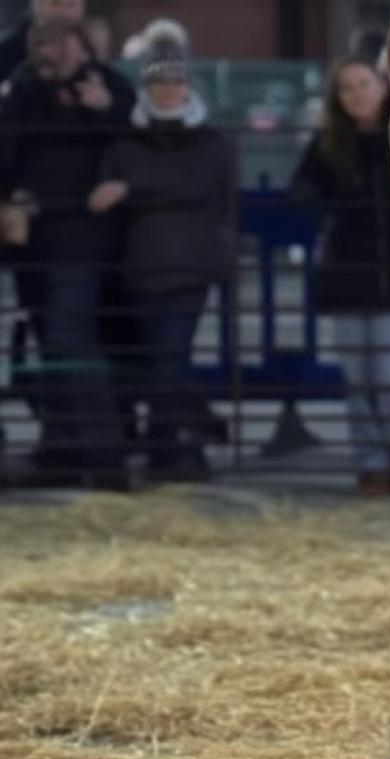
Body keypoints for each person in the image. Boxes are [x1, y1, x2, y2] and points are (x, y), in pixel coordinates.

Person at [289, 57, 390, 495]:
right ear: (337, 98)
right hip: (348, 278)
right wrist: (324, 205)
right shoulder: (329, 144)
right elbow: (298, 191)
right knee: (360, 380)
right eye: (347, 88)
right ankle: (371, 463)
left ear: (382, 86)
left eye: (364, 84)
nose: (357, 94)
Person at [89, 29, 232, 483]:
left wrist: (132, 190)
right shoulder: (126, 142)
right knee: (160, 360)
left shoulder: (210, 141)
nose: (168, 90)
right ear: (146, 89)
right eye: (159, 83)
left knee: (169, 358)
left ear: (188, 87)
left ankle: (166, 448)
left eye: (176, 82)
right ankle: (178, 443)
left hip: (188, 266)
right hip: (141, 268)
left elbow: (198, 186)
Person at [0, 18, 135, 488]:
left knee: (69, 336)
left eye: (57, 42)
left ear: (79, 46)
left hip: (84, 238)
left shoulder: (109, 86)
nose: (46, 51)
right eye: (39, 42)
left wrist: (102, 109)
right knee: (48, 343)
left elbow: (137, 140)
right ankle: (61, 449)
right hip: (30, 239)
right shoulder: (22, 91)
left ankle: (105, 456)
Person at [0, 0, 83, 85]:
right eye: (55, 3)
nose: (63, 12)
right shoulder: (6, 55)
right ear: (36, 6)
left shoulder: (92, 52)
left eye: (71, 5)